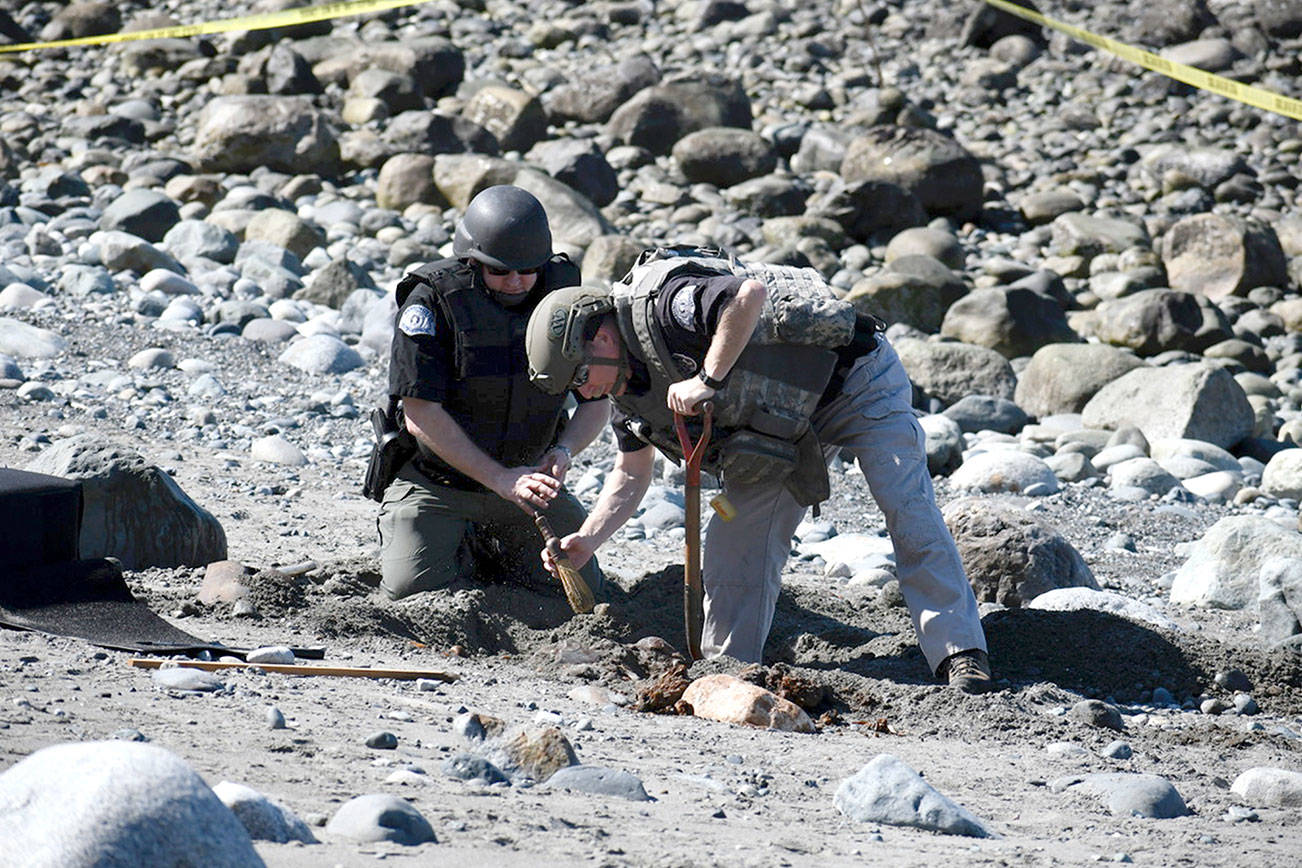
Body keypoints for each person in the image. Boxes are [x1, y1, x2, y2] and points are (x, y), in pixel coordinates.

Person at [524, 246, 992, 692]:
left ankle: (960, 651)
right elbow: (630, 475)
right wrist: (587, 540)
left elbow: (746, 296)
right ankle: (729, 669)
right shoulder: (626, 396)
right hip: (779, 431)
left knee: (905, 506)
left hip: (854, 383)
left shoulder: (666, 306)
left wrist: (706, 379)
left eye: (581, 377)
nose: (585, 394)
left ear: (602, 339)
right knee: (733, 538)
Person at [377, 185, 608, 602]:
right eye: (500, 271)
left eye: (527, 269)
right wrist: (501, 479)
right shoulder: (432, 301)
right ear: (472, 259)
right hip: (438, 483)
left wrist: (563, 450)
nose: (516, 281)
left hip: (528, 484)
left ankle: (488, 546)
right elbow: (419, 411)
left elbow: (598, 401)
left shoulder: (563, 302)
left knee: (583, 592)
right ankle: (461, 540)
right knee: (411, 590)